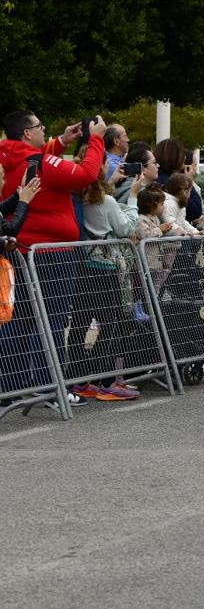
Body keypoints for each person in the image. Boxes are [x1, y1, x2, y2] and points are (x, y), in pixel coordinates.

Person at [0, 112, 105, 402]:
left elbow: (39, 160)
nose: (44, 129)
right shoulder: (39, 161)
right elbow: (86, 175)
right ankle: (52, 388)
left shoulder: (13, 156)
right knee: (53, 320)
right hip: (52, 254)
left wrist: (61, 141)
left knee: (20, 320)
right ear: (26, 134)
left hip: (23, 249)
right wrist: (95, 139)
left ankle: (13, 387)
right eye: (39, 127)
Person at [65, 168, 143, 401]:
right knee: (110, 325)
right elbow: (126, 228)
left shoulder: (77, 199)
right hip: (106, 268)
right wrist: (133, 196)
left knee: (80, 325)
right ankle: (106, 380)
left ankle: (78, 379)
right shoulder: (107, 201)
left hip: (83, 267)